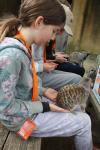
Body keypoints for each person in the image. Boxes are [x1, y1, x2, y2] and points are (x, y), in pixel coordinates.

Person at [0, 0, 92, 150]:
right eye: (54, 31)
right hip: (19, 120)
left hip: (29, 103)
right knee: (85, 122)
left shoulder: (22, 46)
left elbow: (22, 83)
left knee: (73, 107)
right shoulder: (12, 56)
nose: (52, 38)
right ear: (39, 22)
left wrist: (44, 91)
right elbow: (5, 109)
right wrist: (44, 106)